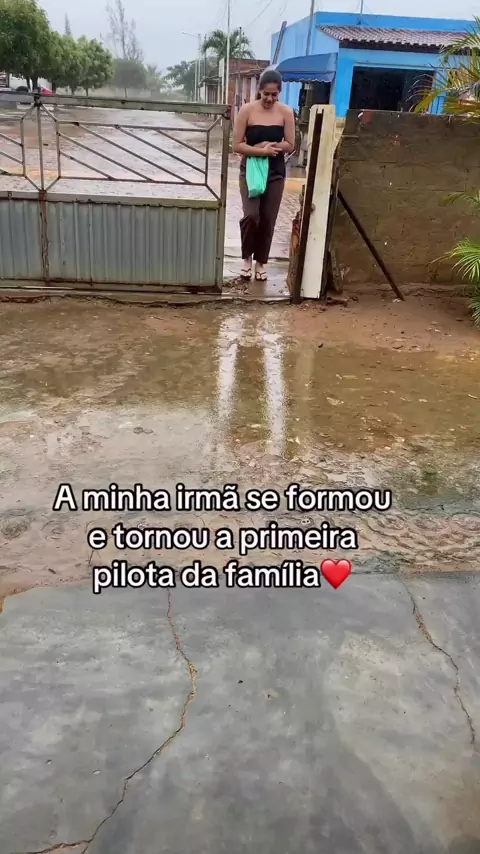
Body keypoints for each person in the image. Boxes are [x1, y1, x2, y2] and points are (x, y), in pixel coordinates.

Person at [232, 69, 295, 282]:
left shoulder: (286, 112)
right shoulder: (247, 110)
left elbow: (290, 144)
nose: (269, 98)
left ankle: (261, 263)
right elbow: (236, 145)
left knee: (268, 219)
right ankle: (246, 259)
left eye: (274, 94)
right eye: (266, 94)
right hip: (250, 170)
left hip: (275, 172)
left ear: (279, 93)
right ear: (259, 90)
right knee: (252, 216)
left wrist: (272, 147)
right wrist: (261, 151)